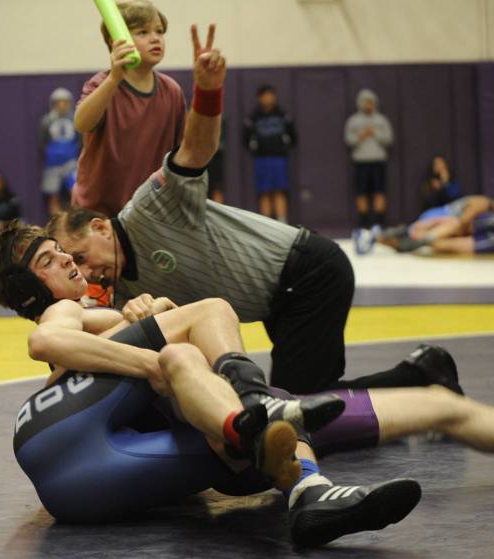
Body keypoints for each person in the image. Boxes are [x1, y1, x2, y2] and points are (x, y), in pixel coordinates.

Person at [0, 223, 494, 547]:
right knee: (202, 326)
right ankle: (253, 408)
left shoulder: (108, 315)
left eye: (63, 250)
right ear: (33, 291)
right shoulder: (63, 315)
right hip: (111, 436)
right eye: (49, 260)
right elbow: (45, 342)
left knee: (436, 406)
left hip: (150, 455)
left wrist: (145, 321)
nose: (67, 259)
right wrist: (151, 351)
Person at [46, 29, 455, 397]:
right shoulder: (127, 293)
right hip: (278, 296)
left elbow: (195, 152)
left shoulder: (149, 209)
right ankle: (421, 378)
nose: (87, 271)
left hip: (308, 273)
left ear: (101, 226)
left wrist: (208, 91)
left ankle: (423, 374)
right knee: (309, 395)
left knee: (301, 402)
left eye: (81, 257)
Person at [71, 0, 186, 216]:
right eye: (142, 32)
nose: (155, 38)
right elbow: (81, 123)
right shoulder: (102, 84)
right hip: (96, 212)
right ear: (117, 41)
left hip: (148, 210)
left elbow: (180, 152)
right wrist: (115, 78)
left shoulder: (172, 91)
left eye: (159, 32)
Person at [374, 194, 494, 255]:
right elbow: (462, 222)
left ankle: (382, 237)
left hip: (441, 218)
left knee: (424, 236)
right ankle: (380, 236)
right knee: (422, 235)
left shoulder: (488, 209)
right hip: (440, 218)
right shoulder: (484, 204)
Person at [345, 89, 394, 247]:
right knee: (361, 193)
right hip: (361, 162)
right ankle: (364, 223)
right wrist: (362, 135)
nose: (368, 105)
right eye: (365, 102)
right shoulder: (353, 121)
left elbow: (388, 139)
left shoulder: (381, 120)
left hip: (378, 161)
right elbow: (349, 140)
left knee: (379, 192)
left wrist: (375, 133)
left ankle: (378, 224)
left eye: (371, 102)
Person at [244, 84, 296, 222]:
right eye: (265, 95)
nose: (268, 98)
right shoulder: (253, 117)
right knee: (264, 191)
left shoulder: (282, 115)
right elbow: (246, 139)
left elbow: (293, 136)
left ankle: (282, 221)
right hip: (262, 159)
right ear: (259, 98)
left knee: (280, 190)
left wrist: (283, 147)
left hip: (279, 158)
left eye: (271, 95)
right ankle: (266, 223)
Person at [39, 88, 81, 217]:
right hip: (53, 164)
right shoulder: (47, 121)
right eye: (59, 102)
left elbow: (80, 140)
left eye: (65, 102)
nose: (62, 105)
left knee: (75, 191)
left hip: (71, 163)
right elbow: (42, 142)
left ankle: (77, 218)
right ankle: (55, 221)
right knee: (53, 195)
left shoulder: (75, 119)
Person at [205, 114, 226, 203]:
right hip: (199, 162)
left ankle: (218, 214)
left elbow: (220, 145)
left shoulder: (220, 119)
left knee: (217, 189)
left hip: (216, 160)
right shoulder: (193, 115)